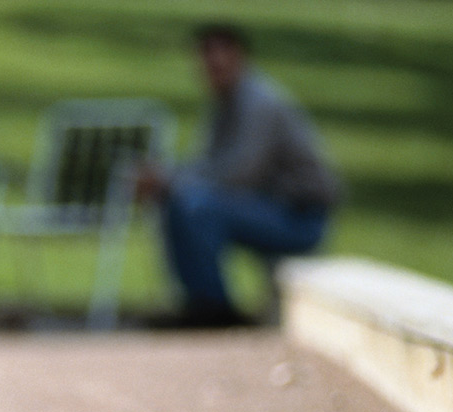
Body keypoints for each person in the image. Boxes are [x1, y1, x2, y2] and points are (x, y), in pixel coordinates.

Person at [139, 23, 341, 327]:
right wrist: (166, 180)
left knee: (194, 203)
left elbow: (239, 174)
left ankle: (213, 306)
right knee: (179, 199)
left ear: (240, 57)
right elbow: (203, 165)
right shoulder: (225, 103)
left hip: (299, 217)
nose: (213, 65)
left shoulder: (259, 102)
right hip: (264, 209)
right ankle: (199, 301)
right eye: (206, 58)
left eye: (221, 56)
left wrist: (169, 179)